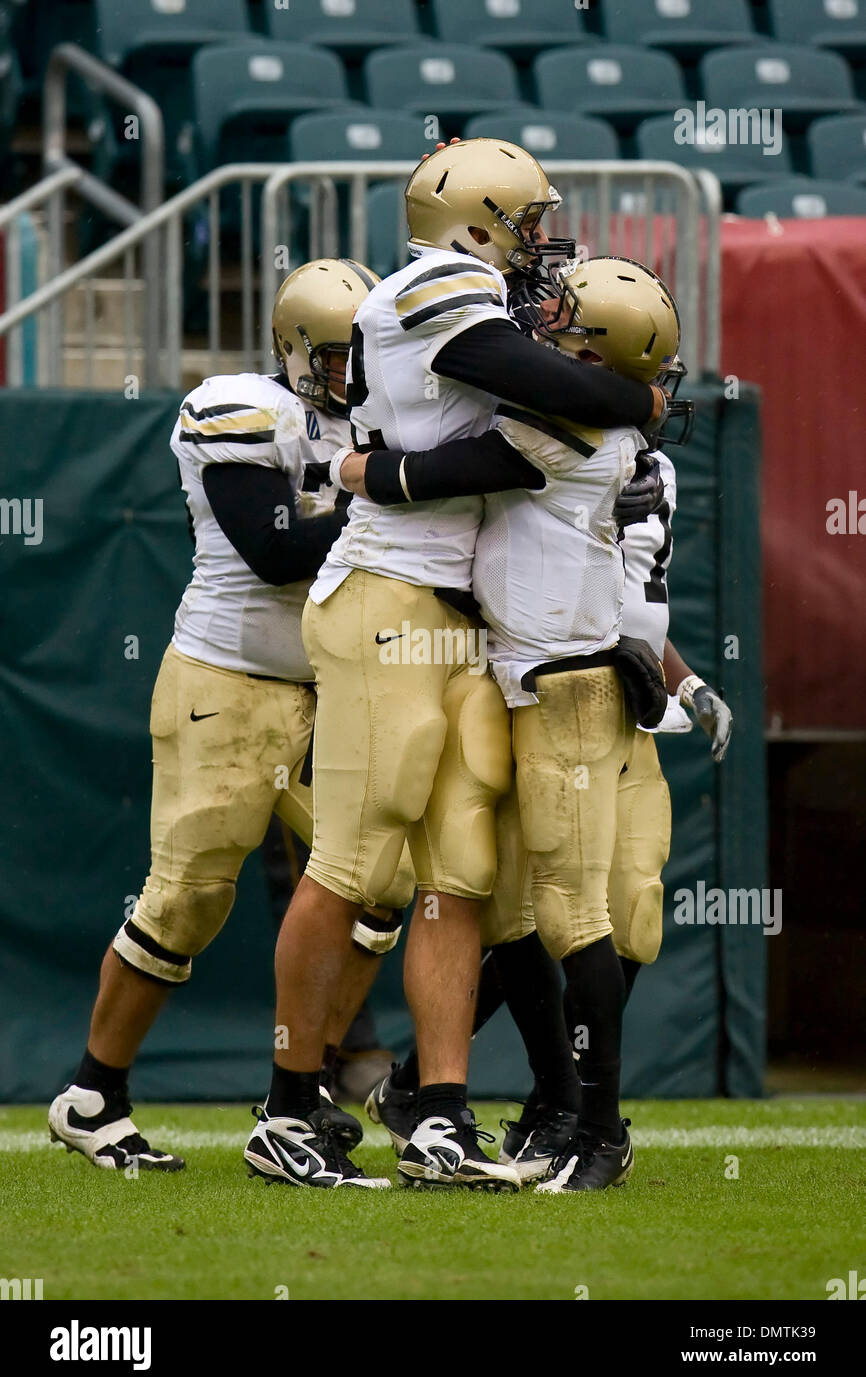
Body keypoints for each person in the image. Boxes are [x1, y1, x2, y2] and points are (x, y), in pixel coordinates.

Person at [247, 141, 671, 1192]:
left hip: (457, 619)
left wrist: (379, 468)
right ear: (475, 221)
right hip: (387, 596)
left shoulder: (485, 294)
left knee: (459, 873)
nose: (540, 245)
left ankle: (439, 1113)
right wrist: (633, 397)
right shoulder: (442, 280)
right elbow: (517, 378)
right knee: (350, 862)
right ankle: (288, 1107)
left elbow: (505, 428)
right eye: (528, 222)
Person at [49, 260, 412, 1189]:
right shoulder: (241, 407)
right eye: (336, 355)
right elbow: (276, 548)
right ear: (292, 349)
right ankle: (94, 1097)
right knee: (188, 900)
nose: (351, 372)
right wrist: (394, 501)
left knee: (383, 884)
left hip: (331, 686)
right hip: (228, 682)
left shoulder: (376, 419)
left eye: (363, 354)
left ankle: (300, 1095)